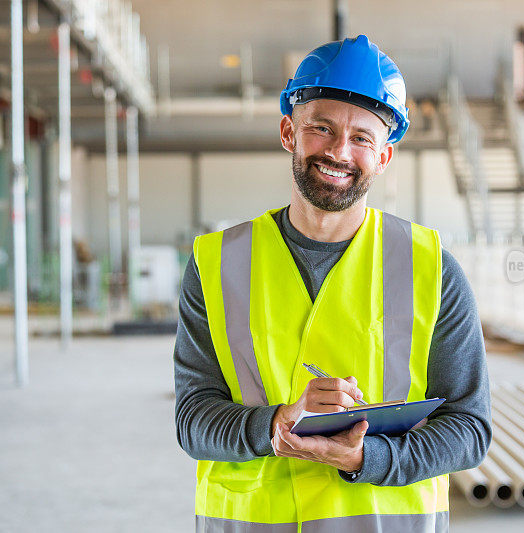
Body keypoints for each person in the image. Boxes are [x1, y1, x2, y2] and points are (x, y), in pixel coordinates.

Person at [174, 34, 491, 533]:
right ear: (288, 131)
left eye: (363, 138)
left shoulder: (433, 268)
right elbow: (193, 420)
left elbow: (470, 429)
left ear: (384, 156)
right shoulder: (216, 263)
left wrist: (368, 456)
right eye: (321, 128)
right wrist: (274, 425)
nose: (340, 152)